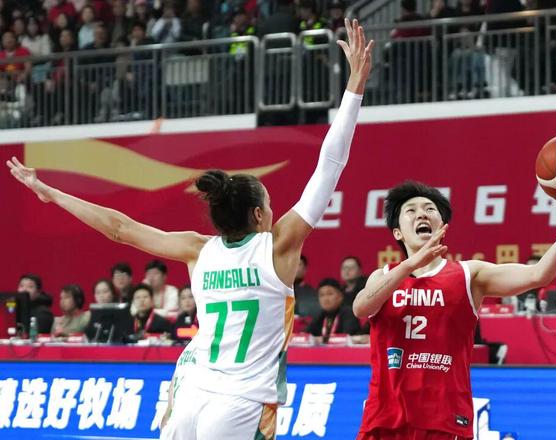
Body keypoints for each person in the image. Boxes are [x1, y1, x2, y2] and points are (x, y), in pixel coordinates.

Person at [7, 18, 373, 440]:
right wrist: (354, 86)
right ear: (259, 215)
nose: (276, 211)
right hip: (242, 399)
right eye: (271, 205)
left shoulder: (197, 249)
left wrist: (53, 194)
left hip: (191, 386)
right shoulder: (278, 247)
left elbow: (119, 228)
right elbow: (330, 164)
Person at [353, 174, 556, 439]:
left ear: (442, 224)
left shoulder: (468, 274)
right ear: (397, 232)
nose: (422, 214)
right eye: (411, 210)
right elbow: (361, 308)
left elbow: (538, 274)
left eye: (430, 209)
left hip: (443, 419)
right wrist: (409, 265)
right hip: (384, 418)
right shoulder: (384, 276)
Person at [307, 278, 362, 343]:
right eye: (321, 295)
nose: (325, 298)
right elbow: (306, 335)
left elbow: (348, 337)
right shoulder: (319, 315)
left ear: (340, 296)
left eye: (330, 294)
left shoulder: (349, 313)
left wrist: (323, 340)